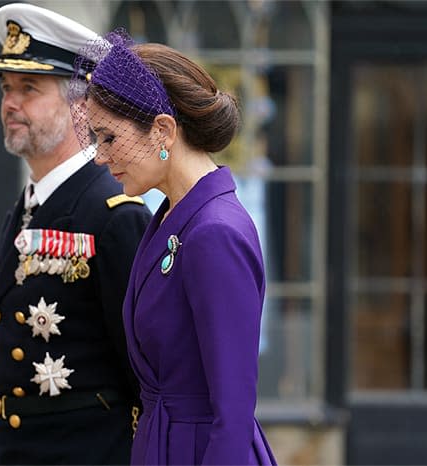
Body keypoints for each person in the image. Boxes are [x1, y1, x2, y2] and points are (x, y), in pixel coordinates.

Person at [69, 30, 278, 465]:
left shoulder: (214, 232)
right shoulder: (170, 216)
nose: (101, 156)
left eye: (109, 137)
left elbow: (233, 413)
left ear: (163, 130)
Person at [0, 6, 151, 465]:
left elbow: (146, 378)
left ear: (81, 104)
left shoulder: (113, 215)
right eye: (7, 89)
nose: (10, 103)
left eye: (29, 89)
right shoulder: (28, 206)